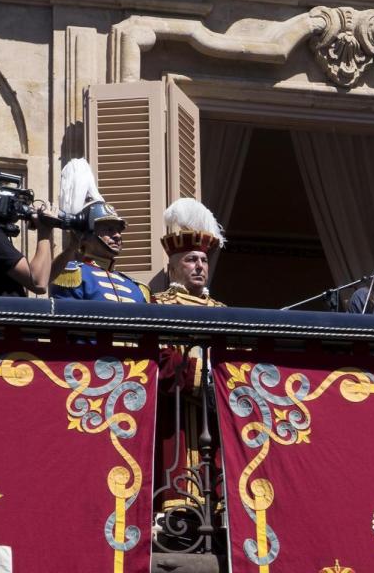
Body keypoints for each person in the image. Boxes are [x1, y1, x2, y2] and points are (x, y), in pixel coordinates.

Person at [152, 197, 225, 517]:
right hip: (176, 417)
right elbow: (161, 364)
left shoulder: (222, 312)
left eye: (204, 261)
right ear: (172, 266)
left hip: (214, 418)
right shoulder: (157, 306)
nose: (199, 266)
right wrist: (204, 374)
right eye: (191, 260)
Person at [49, 159, 149, 303]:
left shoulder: (136, 288)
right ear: (85, 236)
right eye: (108, 229)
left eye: (118, 230)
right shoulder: (70, 275)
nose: (117, 236)